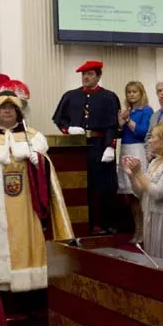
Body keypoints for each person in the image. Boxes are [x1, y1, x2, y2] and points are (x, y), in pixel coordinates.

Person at [0, 84, 73, 291]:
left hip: (24, 205)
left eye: (11, 108)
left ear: (18, 111)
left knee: (23, 239)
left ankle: (28, 283)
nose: (7, 111)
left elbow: (47, 178)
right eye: (3, 108)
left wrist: (39, 162)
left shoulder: (32, 137)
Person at [52, 60, 121, 236]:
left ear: (98, 76)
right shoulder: (70, 96)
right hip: (77, 147)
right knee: (80, 184)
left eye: (90, 74)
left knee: (103, 186)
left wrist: (110, 146)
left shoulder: (109, 97)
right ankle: (82, 224)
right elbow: (59, 119)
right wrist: (68, 129)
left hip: (100, 146)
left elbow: (112, 125)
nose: (86, 77)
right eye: (84, 74)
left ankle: (103, 223)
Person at [123, 121, 163, 263]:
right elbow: (140, 192)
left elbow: (158, 193)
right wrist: (132, 175)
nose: (149, 140)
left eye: (153, 137)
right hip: (151, 217)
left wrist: (138, 172)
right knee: (154, 264)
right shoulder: (154, 162)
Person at [117, 81, 153, 243]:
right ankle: (137, 228)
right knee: (129, 194)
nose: (131, 94)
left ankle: (144, 230)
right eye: (129, 92)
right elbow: (120, 131)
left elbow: (142, 132)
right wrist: (120, 122)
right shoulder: (127, 111)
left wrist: (128, 121)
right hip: (125, 149)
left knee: (139, 193)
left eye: (134, 92)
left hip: (138, 149)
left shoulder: (146, 110)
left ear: (141, 93)